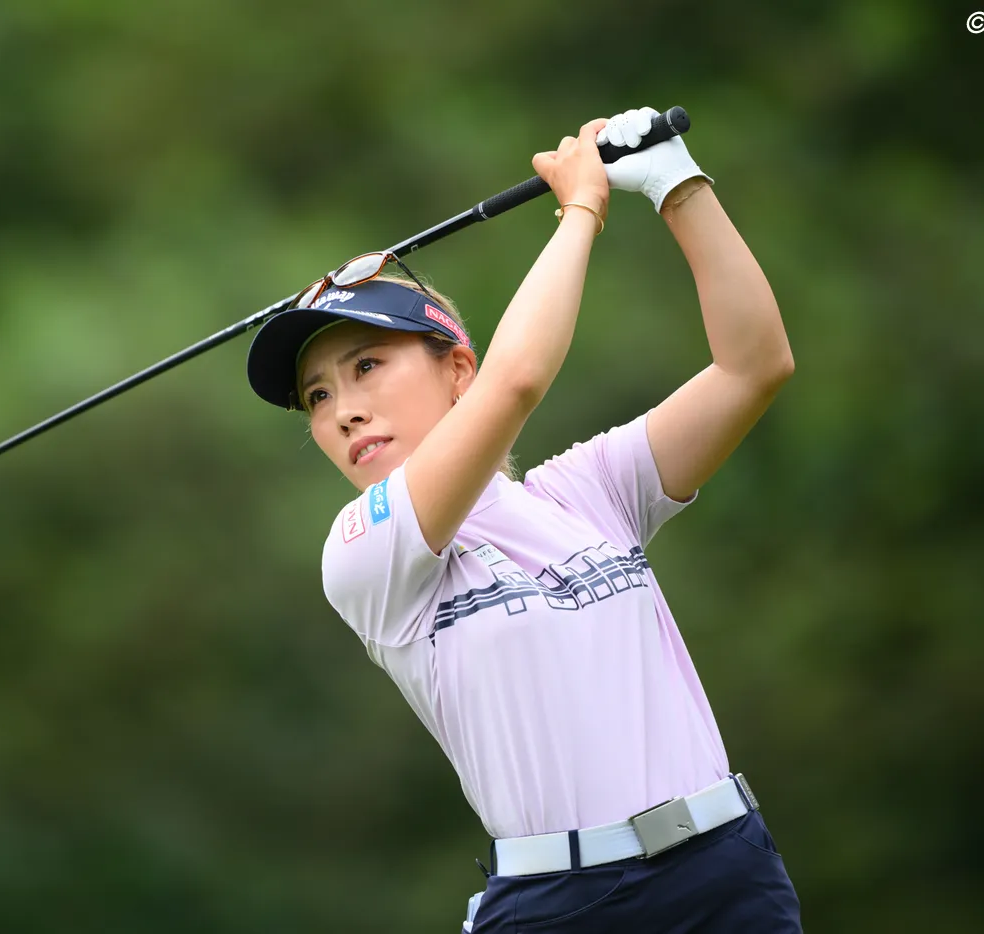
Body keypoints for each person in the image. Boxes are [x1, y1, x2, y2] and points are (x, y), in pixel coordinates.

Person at [245, 107, 802, 933]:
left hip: (727, 870)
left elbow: (754, 365)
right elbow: (518, 381)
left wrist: (676, 184)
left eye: (367, 365)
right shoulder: (366, 551)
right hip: (563, 907)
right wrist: (581, 208)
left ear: (456, 369)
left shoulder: (588, 491)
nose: (344, 411)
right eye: (318, 396)